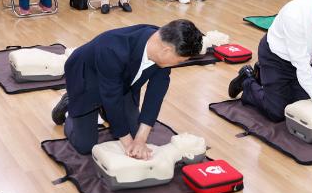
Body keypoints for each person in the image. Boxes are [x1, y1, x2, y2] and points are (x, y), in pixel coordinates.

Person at [51, 20, 205, 156]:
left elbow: (155, 95)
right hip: (86, 79)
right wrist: (129, 144)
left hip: (123, 82)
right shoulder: (113, 48)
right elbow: (111, 97)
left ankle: (104, 110)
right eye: (179, 60)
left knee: (133, 132)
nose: (177, 64)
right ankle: (70, 103)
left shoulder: (165, 45)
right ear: (167, 51)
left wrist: (140, 139)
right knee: (85, 146)